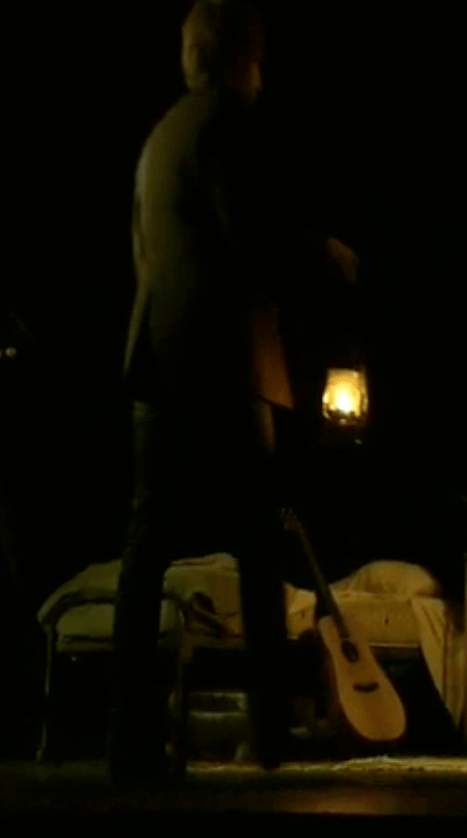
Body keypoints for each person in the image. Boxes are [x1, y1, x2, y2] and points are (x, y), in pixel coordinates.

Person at [110, 0, 359, 782]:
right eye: (259, 61)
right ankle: (270, 732)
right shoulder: (224, 127)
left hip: (158, 359)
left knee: (146, 546)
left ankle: (130, 740)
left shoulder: (161, 137)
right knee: (257, 544)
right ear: (244, 60)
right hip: (221, 363)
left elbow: (152, 252)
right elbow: (244, 239)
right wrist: (321, 252)